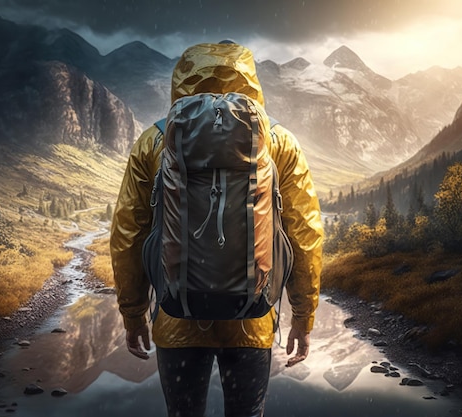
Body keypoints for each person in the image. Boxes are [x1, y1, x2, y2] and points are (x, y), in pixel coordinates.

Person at [110, 41, 323, 417]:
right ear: (250, 80)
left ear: (182, 80)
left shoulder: (155, 141)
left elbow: (129, 234)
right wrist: (302, 318)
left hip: (178, 315)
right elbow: (304, 233)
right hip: (252, 316)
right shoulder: (278, 143)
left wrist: (133, 313)